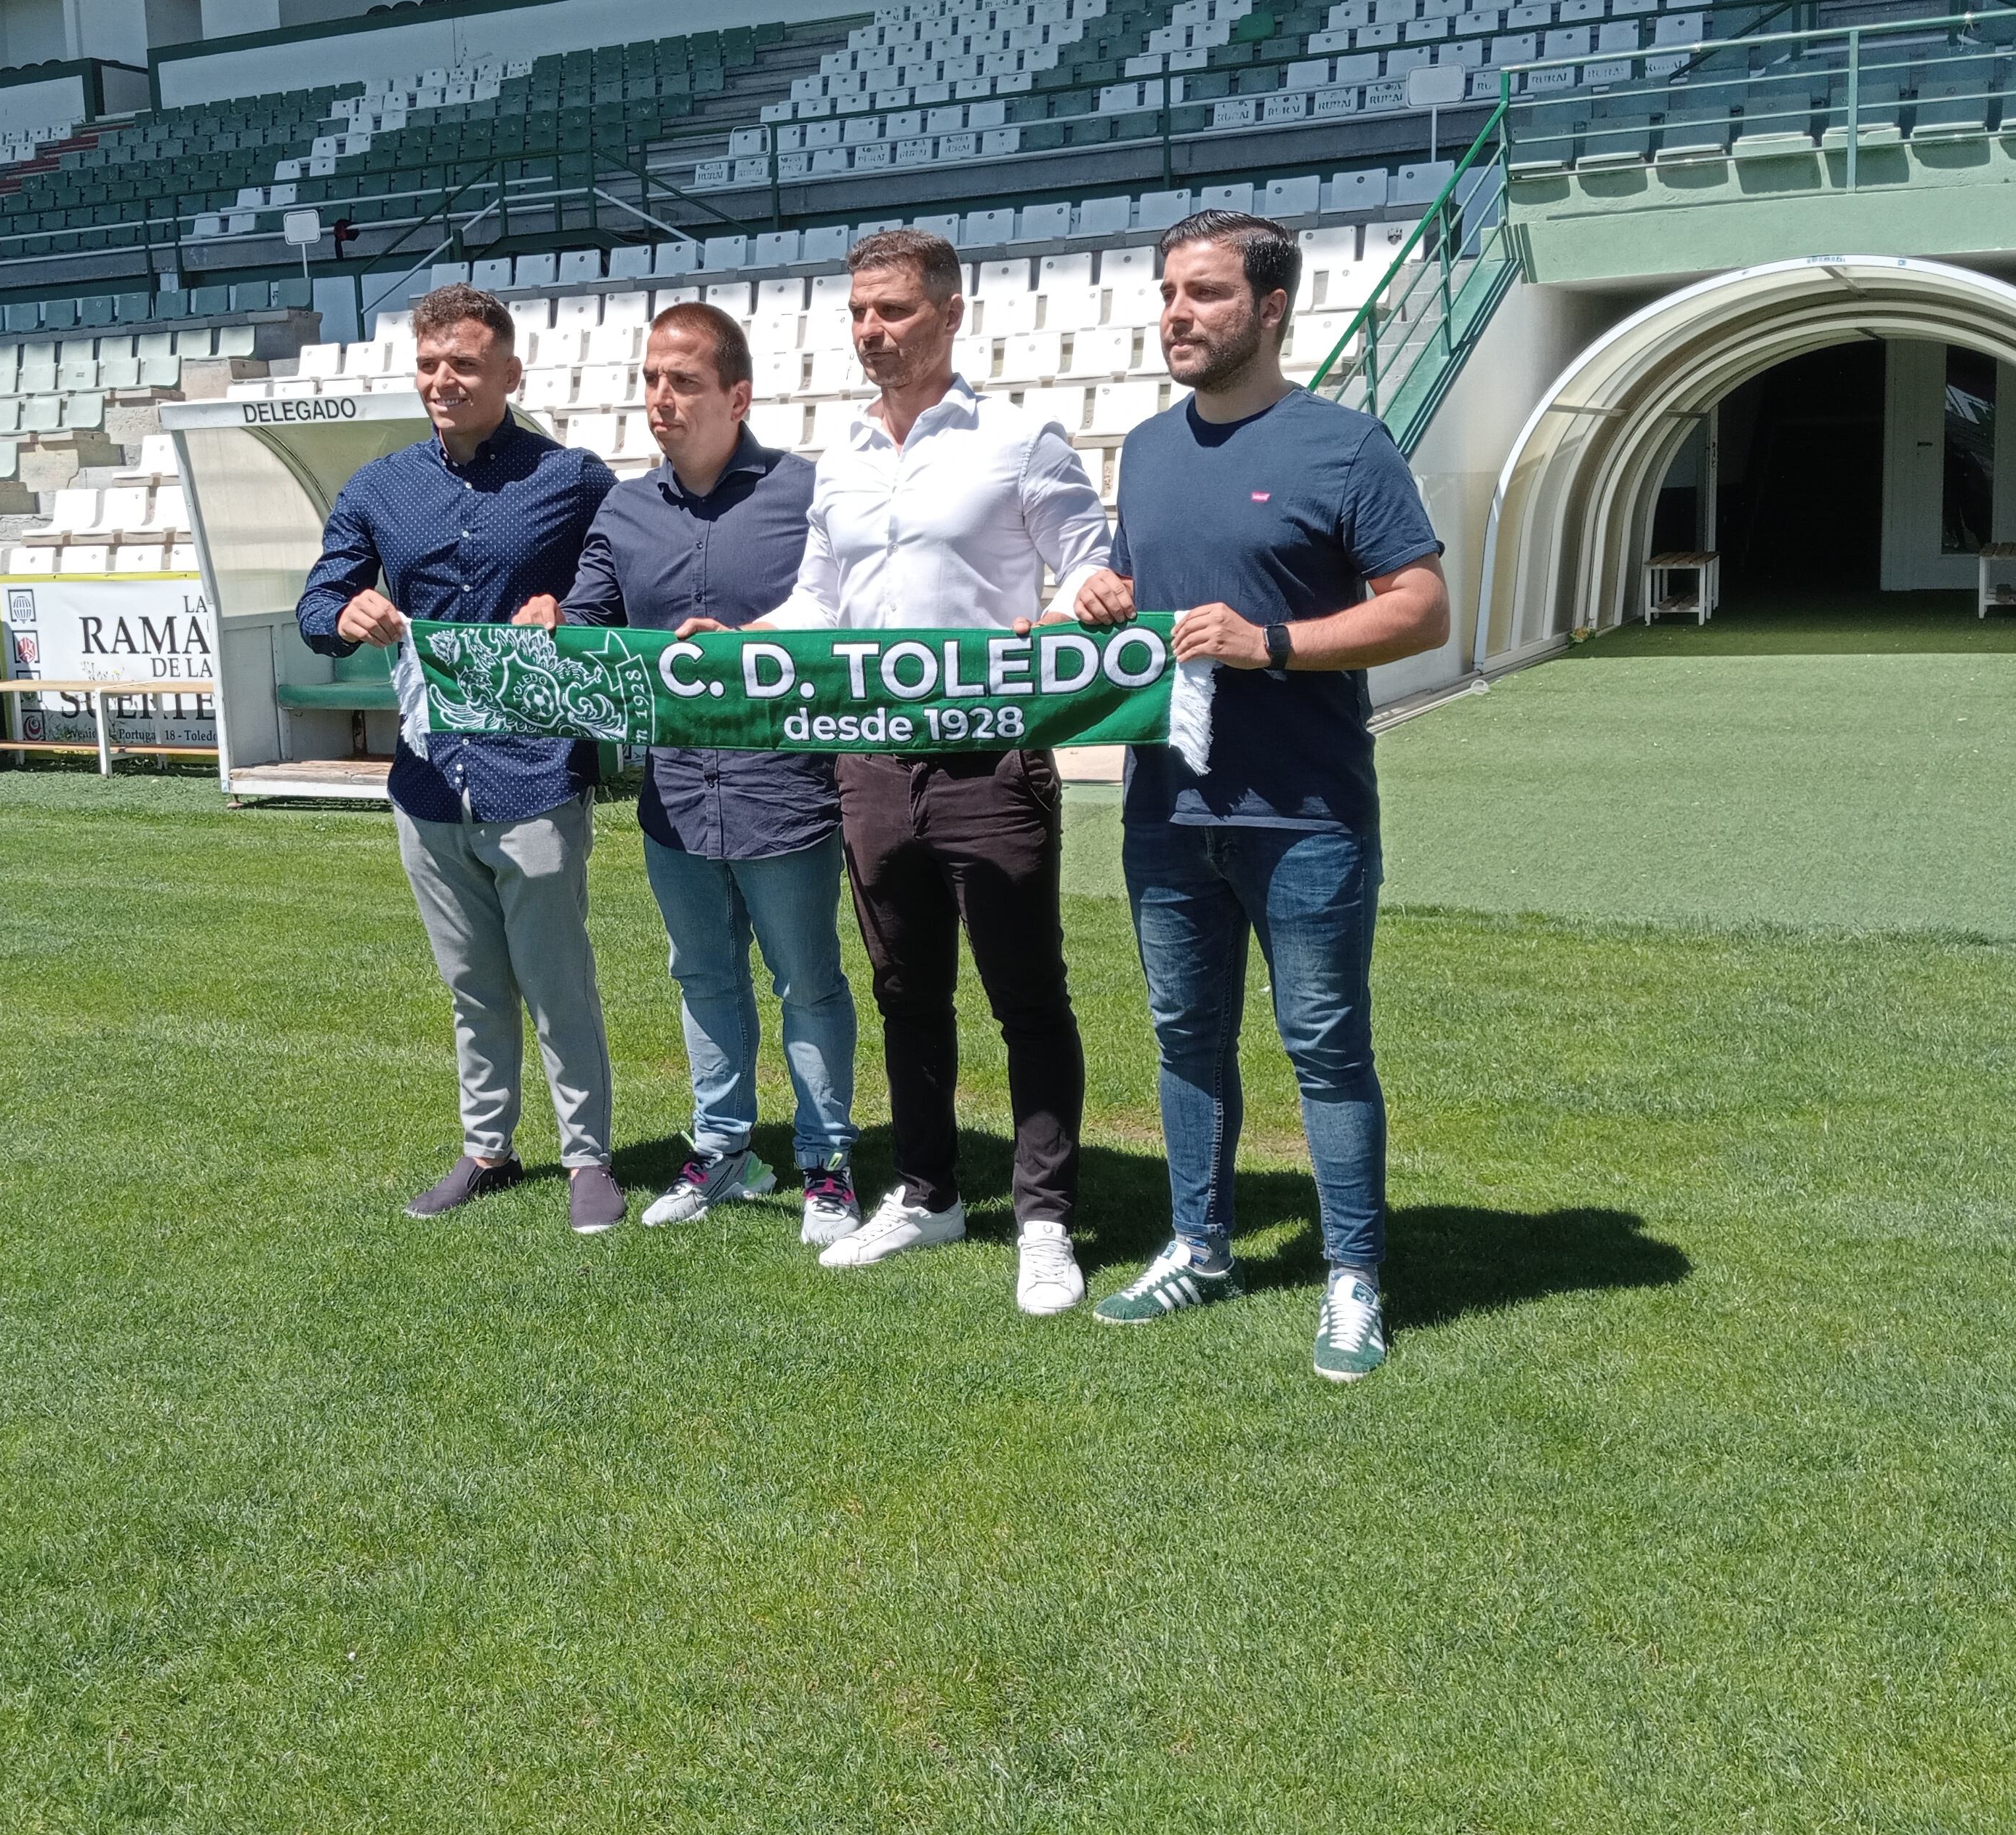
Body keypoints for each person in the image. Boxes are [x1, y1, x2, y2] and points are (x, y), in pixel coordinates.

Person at [1074, 212, 1450, 1379]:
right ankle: (1200, 1245)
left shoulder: (1345, 446)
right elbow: (1155, 589)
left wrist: (1269, 644)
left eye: (1204, 293)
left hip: (1306, 813)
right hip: (1166, 810)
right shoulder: (1145, 447)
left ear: (1271, 307)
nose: (1176, 314)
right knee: (1186, 1040)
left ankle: (1351, 1275)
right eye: (1169, 292)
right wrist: (1102, 588)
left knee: (1325, 1046)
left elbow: (1422, 608)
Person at [761, 228, 1114, 1316]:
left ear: (951, 315)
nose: (873, 332)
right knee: (907, 991)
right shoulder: (842, 458)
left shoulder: (1020, 441)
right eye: (860, 313)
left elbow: (1088, 556)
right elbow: (818, 602)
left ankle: (1045, 1218)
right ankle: (927, 1193)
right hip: (868, 761)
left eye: (895, 311)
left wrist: (1073, 602)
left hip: (991, 760)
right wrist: (733, 637)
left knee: (1026, 996)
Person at [512, 301, 863, 1245]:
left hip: (788, 793)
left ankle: (829, 1165)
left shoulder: (808, 496)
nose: (661, 399)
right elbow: (590, 617)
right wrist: (554, 620)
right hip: (675, 799)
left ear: (737, 395)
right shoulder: (623, 510)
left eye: (684, 382)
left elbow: (849, 619)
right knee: (704, 979)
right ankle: (723, 1149)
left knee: (809, 984)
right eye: (652, 381)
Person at [296, 283, 626, 1234]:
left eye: (466, 364)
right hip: (429, 779)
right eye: (432, 365)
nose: (445, 380)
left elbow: (617, 582)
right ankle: (488, 1148)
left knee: (558, 978)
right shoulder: (379, 488)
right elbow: (319, 604)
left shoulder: (573, 479)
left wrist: (575, 611)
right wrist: (346, 613)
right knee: (472, 982)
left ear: (509, 374)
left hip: (537, 772)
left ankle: (588, 1158)